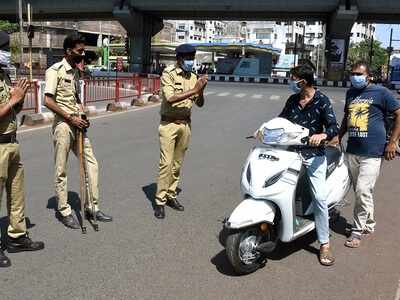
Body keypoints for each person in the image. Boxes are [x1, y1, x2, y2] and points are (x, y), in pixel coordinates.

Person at [44, 34, 112, 229]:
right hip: (64, 126)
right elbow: (47, 100)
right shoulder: (54, 71)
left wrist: (82, 115)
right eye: (79, 51)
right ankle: (64, 210)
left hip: (78, 124)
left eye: (83, 50)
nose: (82, 54)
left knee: (91, 164)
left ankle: (92, 206)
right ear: (68, 51)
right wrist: (70, 117)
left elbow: (75, 98)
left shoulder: (75, 72)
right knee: (61, 168)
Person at [279, 65, 338, 266]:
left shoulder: (322, 100)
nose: (290, 82)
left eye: (292, 78)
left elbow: (333, 127)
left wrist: (323, 135)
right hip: (291, 153)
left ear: (302, 81)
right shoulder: (293, 100)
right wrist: (264, 130)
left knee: (319, 197)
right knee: (279, 187)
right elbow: (281, 120)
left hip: (314, 155)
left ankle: (324, 243)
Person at [337, 61, 400, 248]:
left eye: (359, 74)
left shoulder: (381, 93)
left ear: (369, 76)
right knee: (362, 191)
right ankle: (369, 224)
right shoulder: (351, 93)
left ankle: (357, 231)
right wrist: (338, 136)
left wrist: (392, 142)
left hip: (373, 151)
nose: (355, 76)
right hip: (353, 149)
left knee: (363, 190)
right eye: (353, 73)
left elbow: (399, 114)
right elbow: (347, 118)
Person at [0, 31, 44, 268]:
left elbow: (11, 110)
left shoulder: (4, 75)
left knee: (16, 195)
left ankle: (17, 237)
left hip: (12, 141)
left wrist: (18, 99)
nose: (8, 53)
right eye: (5, 47)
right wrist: (12, 99)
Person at [153, 44, 208, 219]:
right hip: (169, 124)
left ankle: (171, 195)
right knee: (166, 164)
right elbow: (170, 98)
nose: (191, 61)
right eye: (188, 58)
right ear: (179, 59)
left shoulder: (193, 76)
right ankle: (159, 201)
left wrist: (201, 91)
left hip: (185, 125)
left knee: (177, 164)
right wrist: (194, 89)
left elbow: (199, 104)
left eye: (193, 58)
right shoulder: (168, 73)